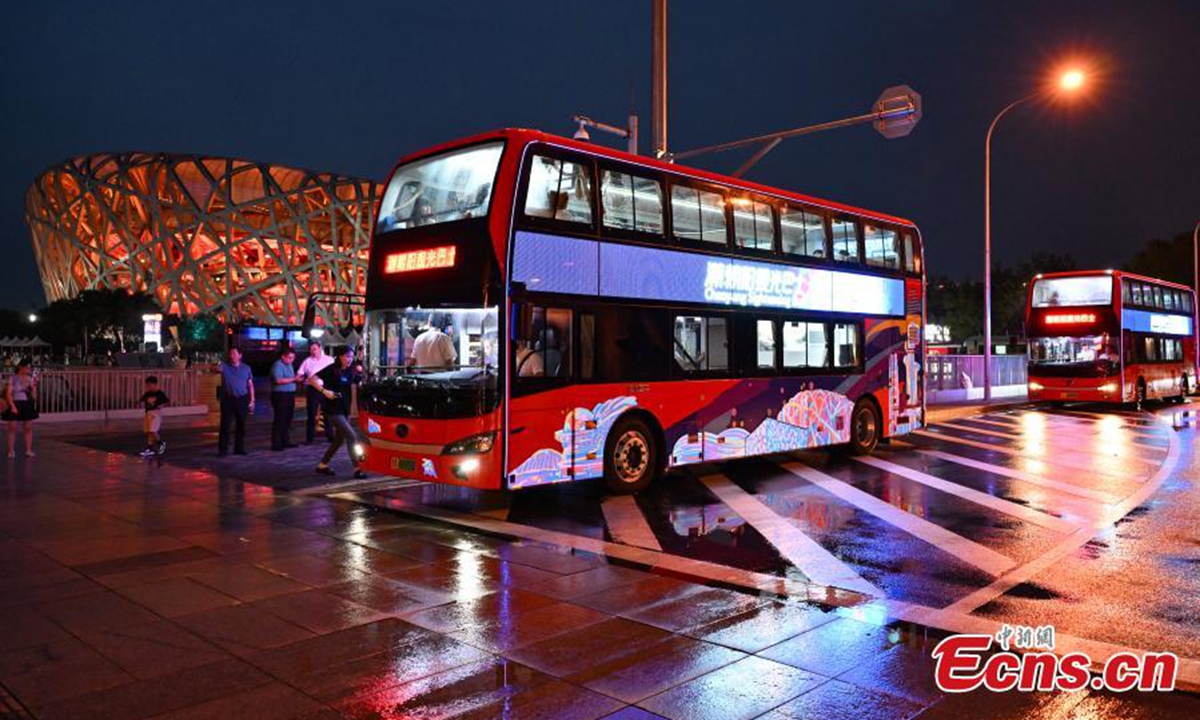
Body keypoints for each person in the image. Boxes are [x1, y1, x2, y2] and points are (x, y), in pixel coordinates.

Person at [307, 346, 367, 479]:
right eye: (347, 356)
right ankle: (357, 468)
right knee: (352, 436)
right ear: (340, 356)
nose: (349, 359)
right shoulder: (332, 369)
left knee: (339, 440)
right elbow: (311, 379)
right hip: (333, 409)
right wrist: (324, 391)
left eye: (351, 357)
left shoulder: (351, 371)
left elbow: (360, 381)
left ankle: (322, 465)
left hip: (345, 409)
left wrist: (362, 373)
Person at [217, 347, 254, 456]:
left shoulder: (246, 368)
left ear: (240, 355)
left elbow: (250, 384)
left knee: (241, 425)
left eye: (234, 353)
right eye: (230, 353)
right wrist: (217, 365)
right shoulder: (225, 367)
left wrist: (252, 400)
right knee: (225, 425)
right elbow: (215, 369)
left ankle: (239, 448)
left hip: (242, 398)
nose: (231, 355)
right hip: (228, 399)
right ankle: (223, 450)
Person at [297, 341, 334, 444]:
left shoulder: (329, 359)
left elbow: (334, 373)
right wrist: (303, 379)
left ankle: (330, 436)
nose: (313, 351)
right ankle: (309, 439)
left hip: (326, 387)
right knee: (311, 414)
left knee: (327, 413)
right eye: (311, 349)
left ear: (319, 348)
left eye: (315, 348)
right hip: (313, 389)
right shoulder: (307, 361)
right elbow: (299, 374)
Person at [3, 358, 38, 458]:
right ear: (20, 367)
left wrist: (34, 386)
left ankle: (28, 450)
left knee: (28, 428)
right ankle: (11, 451)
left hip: (26, 404)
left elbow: (34, 396)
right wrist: (13, 406)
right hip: (15, 403)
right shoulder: (13, 378)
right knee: (12, 428)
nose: (29, 369)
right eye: (27, 367)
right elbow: (8, 394)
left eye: (29, 367)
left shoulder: (29, 379)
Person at [270, 348, 299, 451]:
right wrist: (294, 379)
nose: (292, 360)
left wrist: (297, 379)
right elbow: (278, 380)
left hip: (289, 395)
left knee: (288, 418)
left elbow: (290, 378)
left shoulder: (289, 364)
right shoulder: (278, 365)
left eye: (293, 358)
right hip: (280, 395)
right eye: (290, 358)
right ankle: (276, 443)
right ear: (283, 356)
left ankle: (285, 440)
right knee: (280, 419)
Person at [138, 376, 169, 457]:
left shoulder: (159, 393)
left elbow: (166, 401)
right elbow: (141, 400)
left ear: (155, 384)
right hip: (148, 413)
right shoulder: (147, 393)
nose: (148, 386)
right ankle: (150, 448)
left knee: (153, 430)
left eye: (150, 385)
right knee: (149, 431)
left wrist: (161, 405)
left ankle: (161, 443)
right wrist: (141, 403)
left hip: (156, 413)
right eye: (147, 385)